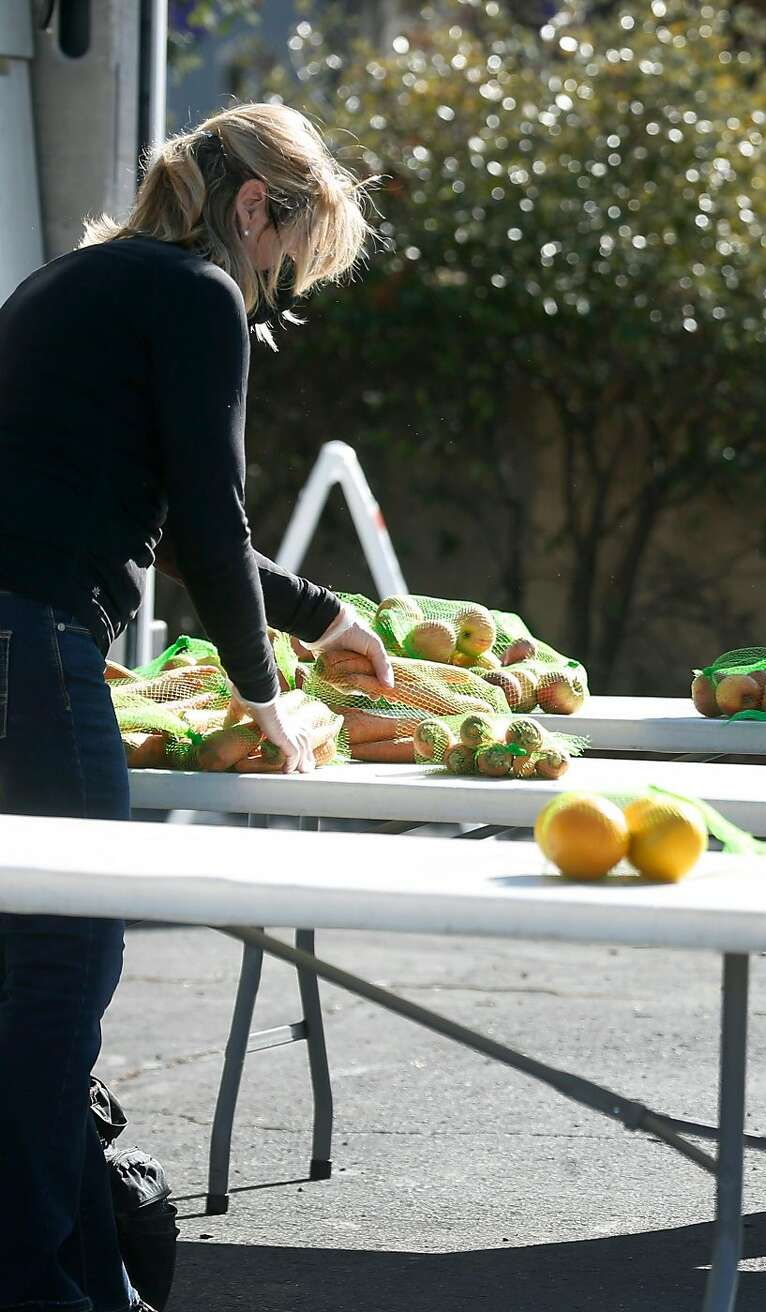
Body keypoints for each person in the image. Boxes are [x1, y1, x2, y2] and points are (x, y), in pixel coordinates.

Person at [0, 103, 388, 1312]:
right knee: (66, 966)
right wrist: (268, 695)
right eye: (284, 260)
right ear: (258, 206)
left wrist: (318, 614)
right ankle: (33, 1278)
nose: (271, 289)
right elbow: (210, 519)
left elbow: (165, 517)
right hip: (32, 639)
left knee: (29, 975)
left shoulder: (77, 279)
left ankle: (74, 1275)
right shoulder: (194, 294)